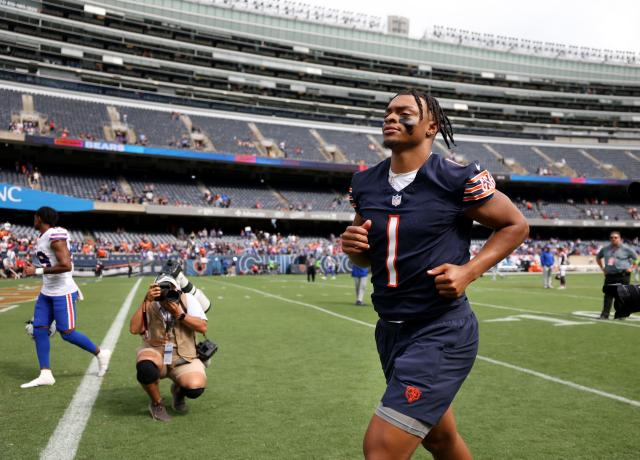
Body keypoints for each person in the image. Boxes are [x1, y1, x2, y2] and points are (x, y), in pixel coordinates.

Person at [341, 89, 528, 459]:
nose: (391, 117)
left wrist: (469, 271)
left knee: (381, 450)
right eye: (388, 111)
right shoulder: (366, 184)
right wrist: (353, 249)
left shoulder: (455, 178)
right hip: (391, 330)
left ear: (432, 126)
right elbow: (367, 259)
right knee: (440, 440)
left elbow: (515, 225)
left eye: (404, 112)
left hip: (440, 329)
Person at [21, 206, 110, 388]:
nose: (33, 220)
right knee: (39, 329)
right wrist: (36, 267)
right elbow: (53, 262)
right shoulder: (44, 237)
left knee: (67, 333)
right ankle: (45, 373)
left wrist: (36, 270)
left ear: (40, 218)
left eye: (35, 217)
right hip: (47, 291)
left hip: (63, 292)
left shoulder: (56, 234)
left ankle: (101, 353)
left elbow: (66, 265)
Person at [129, 274, 209, 422]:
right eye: (162, 289)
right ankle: (157, 403)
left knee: (195, 387)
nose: (167, 293)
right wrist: (146, 300)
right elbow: (134, 329)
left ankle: (179, 392)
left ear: (177, 290)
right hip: (155, 352)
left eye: (170, 289)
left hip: (184, 357)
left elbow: (203, 327)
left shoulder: (187, 300)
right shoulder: (150, 302)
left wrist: (180, 314)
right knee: (145, 368)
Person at [596, 231, 638, 319]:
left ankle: (621, 314)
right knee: (608, 295)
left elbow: (637, 258)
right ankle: (605, 314)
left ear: (620, 238)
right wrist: (603, 269)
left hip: (623, 275)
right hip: (610, 275)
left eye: (615, 237)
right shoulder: (605, 249)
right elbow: (598, 258)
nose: (613, 239)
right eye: (611, 237)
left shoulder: (626, 248)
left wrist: (632, 268)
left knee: (623, 295)